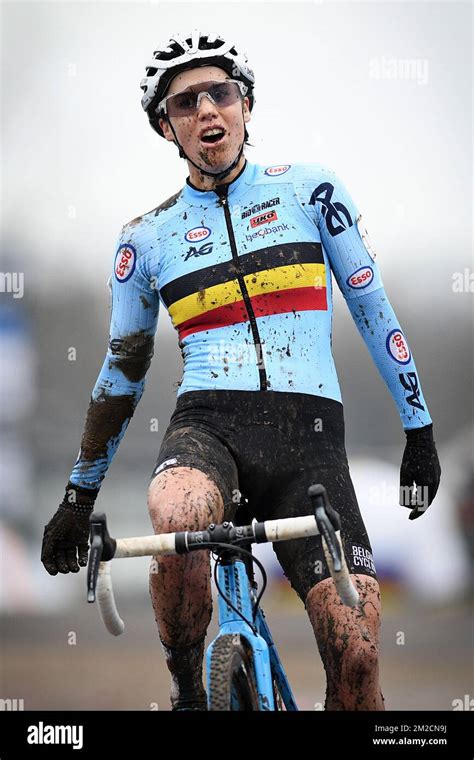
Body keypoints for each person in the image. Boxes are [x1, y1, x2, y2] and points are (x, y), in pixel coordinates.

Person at [41, 30, 441, 711]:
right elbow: (121, 373)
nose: (205, 111)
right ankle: (190, 692)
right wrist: (79, 499)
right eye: (184, 102)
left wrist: (420, 428)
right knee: (175, 511)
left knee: (360, 658)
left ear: (246, 104)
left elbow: (373, 308)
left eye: (218, 93)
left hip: (307, 442)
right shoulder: (146, 238)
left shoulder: (311, 190)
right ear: (165, 126)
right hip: (208, 429)